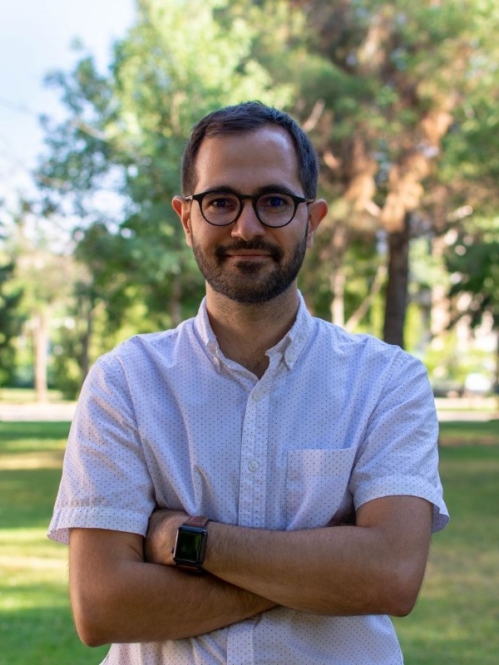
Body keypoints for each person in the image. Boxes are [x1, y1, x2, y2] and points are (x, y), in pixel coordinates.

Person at [48, 101, 449, 665]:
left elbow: (391, 575)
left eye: (275, 201)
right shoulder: (126, 383)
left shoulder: (387, 381)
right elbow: (103, 606)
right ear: (186, 217)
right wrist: (322, 573)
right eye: (220, 202)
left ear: (313, 219)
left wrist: (187, 541)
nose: (247, 227)